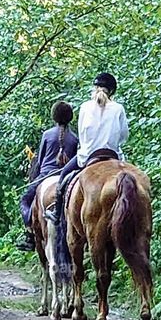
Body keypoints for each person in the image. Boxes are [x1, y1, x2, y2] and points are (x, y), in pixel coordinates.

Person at [45, 72, 128, 224]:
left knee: (64, 176)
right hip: (112, 156)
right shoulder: (118, 109)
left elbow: (82, 136)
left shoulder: (85, 107)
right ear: (112, 91)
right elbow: (123, 136)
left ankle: (57, 212)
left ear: (95, 88)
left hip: (88, 156)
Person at [16, 101, 79, 251]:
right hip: (66, 176)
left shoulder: (47, 135)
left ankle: (29, 233)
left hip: (45, 175)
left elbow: (40, 160)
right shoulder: (75, 138)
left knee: (25, 200)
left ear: (54, 117)